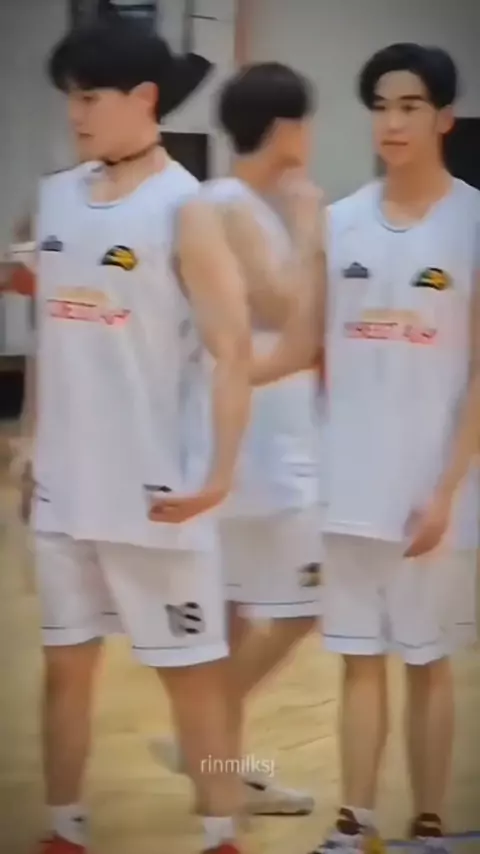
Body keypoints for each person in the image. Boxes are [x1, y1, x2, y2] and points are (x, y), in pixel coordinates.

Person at [22, 18, 253, 854]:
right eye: (70, 97)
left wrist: (218, 475)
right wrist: (30, 441)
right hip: (64, 487)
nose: (75, 113)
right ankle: (64, 829)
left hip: (159, 493)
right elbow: (48, 333)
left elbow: (233, 351)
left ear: (144, 98)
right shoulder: (53, 197)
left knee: (192, 681)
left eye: (90, 96)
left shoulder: (185, 208)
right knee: (64, 668)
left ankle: (223, 834)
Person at [248, 43, 480, 854]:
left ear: (444, 117)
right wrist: (222, 369)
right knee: (359, 659)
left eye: (410, 105)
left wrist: (448, 491)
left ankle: (431, 824)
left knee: (428, 661)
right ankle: (356, 823)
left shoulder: (473, 221)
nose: (392, 121)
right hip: (351, 488)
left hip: (436, 497)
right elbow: (298, 342)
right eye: (381, 106)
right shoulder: (340, 221)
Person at [150, 62, 324, 816]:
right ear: (285, 129)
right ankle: (206, 742)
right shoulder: (227, 206)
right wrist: (312, 230)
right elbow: (287, 312)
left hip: (267, 437)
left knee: (234, 617)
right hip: (255, 452)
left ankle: (219, 769)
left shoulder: (246, 205)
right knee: (302, 603)